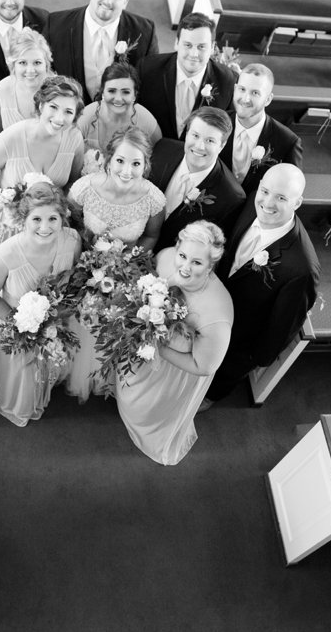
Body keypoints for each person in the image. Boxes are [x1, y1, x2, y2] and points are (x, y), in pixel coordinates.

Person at [203, 163, 319, 410]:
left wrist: (250, 360)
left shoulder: (301, 269)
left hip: (238, 339)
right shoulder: (253, 201)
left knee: (213, 384)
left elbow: (278, 331)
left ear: (297, 203)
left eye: (281, 198)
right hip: (210, 307)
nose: (267, 202)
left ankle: (211, 396)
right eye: (265, 191)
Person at [117, 221, 233, 465]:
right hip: (142, 349)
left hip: (171, 372)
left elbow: (204, 366)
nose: (185, 267)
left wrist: (158, 348)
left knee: (147, 407)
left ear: (211, 265)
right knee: (128, 391)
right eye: (183, 255)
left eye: (197, 262)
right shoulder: (166, 257)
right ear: (177, 247)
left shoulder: (216, 313)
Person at [65, 127, 166, 402]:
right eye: (120, 161)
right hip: (83, 265)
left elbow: (151, 235)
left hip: (126, 273)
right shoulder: (85, 187)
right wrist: (86, 257)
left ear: (145, 165)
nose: (127, 170)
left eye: (136, 163)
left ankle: (102, 373)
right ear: (108, 159)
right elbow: (71, 222)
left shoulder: (154, 199)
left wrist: (125, 260)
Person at [0, 181, 81, 426]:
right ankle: (14, 400)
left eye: (53, 219)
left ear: (62, 217)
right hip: (13, 324)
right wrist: (19, 325)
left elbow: (74, 276)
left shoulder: (72, 241)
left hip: (54, 321)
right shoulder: (4, 256)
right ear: (24, 219)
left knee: (48, 364)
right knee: (22, 376)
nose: (45, 227)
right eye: (37, 219)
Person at [0, 76, 85, 267]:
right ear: (41, 105)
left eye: (68, 111)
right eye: (53, 107)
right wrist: (8, 207)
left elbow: (71, 182)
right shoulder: (13, 137)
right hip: (10, 227)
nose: (59, 118)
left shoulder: (74, 139)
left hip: (48, 229)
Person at [46, 0, 158, 102]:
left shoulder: (144, 32)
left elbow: (149, 82)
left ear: (125, 2)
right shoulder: (56, 24)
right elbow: (45, 74)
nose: (108, 1)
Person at [148, 106, 245, 252]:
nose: (200, 146)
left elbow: (213, 251)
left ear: (222, 145)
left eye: (210, 141)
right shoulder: (162, 149)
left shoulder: (231, 198)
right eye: (195, 135)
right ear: (187, 134)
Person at [138, 12, 236, 141]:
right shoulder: (148, 69)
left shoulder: (227, 81)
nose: (194, 54)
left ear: (212, 48)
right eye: (188, 45)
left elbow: (225, 129)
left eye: (201, 47)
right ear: (177, 43)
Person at [220, 63, 302, 195]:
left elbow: (290, 192)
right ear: (235, 89)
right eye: (242, 89)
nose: (246, 99)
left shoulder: (287, 143)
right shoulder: (217, 124)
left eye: (255, 93)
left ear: (268, 99)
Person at [77, 62, 162, 170]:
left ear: (134, 95)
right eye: (111, 91)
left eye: (125, 92)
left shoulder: (145, 120)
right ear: (102, 92)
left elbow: (160, 157)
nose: (118, 98)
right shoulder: (86, 116)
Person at [0, 28, 54, 140]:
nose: (30, 70)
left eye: (37, 62)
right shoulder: (0, 91)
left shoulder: (61, 91)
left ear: (46, 64)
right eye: (23, 63)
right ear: (13, 65)